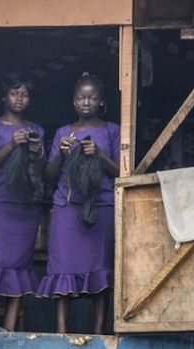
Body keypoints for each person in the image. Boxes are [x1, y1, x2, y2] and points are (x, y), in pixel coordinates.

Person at [36, 73, 120, 334]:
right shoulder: (63, 132)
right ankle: (61, 332)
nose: (87, 102)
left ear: (101, 102)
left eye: (92, 97)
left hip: (101, 207)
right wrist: (61, 153)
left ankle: (97, 333)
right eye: (81, 97)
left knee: (100, 269)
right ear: (73, 102)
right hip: (66, 208)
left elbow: (121, 171)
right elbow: (49, 175)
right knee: (62, 266)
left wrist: (100, 154)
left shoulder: (112, 130)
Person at [0, 73, 46, 332]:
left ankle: (9, 328)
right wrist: (11, 146)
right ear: (4, 96)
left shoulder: (36, 130)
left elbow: (42, 172)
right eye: (15, 93)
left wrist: (38, 153)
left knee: (19, 264)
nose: (19, 98)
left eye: (24, 94)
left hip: (26, 205)